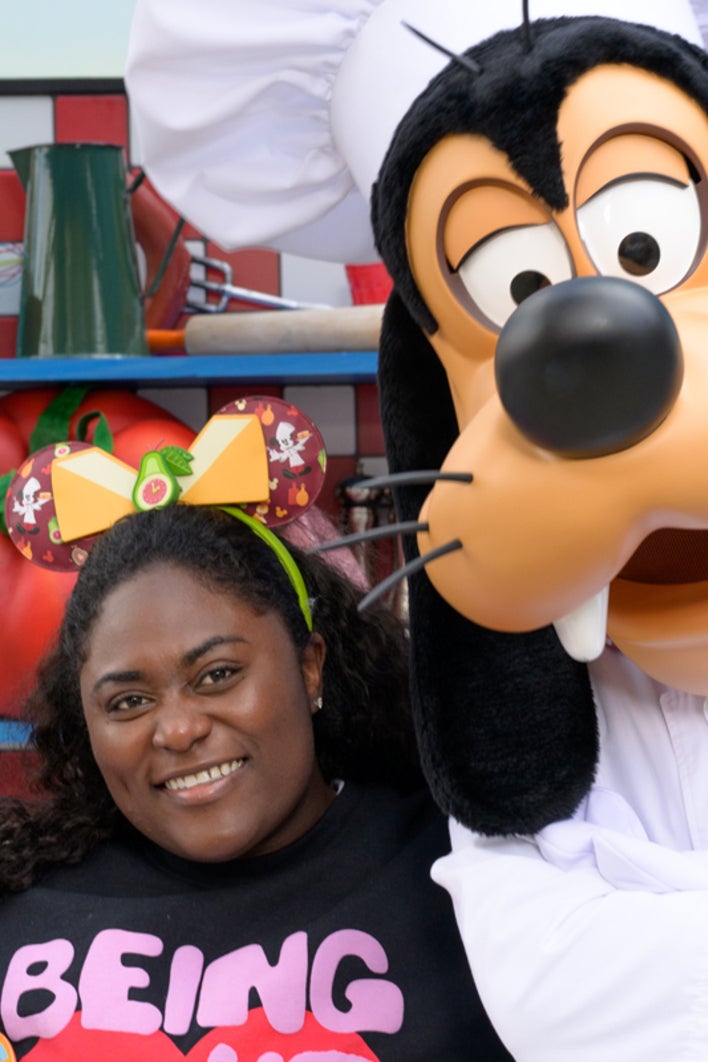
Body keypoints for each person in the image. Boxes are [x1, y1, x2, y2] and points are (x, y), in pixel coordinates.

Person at [0, 503, 511, 1061]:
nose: (177, 730)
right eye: (129, 702)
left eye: (218, 675)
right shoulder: (23, 906)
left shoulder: (465, 871)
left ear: (310, 665)